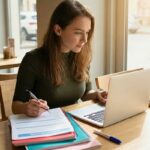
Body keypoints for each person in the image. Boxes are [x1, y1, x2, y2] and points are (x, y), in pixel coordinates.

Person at [12, 0, 107, 117]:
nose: (85, 40)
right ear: (58, 30)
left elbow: (86, 93)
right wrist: (27, 107)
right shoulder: (33, 60)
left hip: (75, 121)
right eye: (78, 32)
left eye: (87, 32)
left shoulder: (82, 56)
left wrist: (97, 94)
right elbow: (16, 106)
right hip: (45, 125)